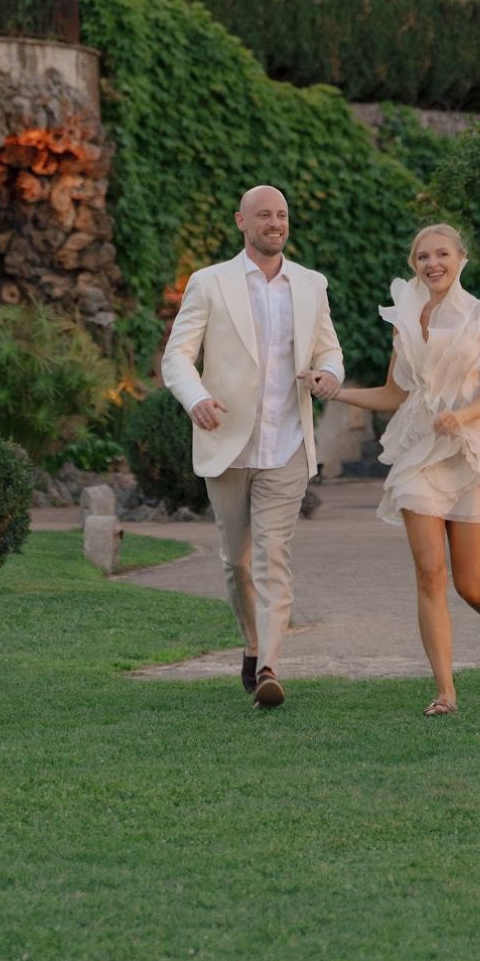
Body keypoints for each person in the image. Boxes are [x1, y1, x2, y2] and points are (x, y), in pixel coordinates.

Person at [159, 184, 344, 711]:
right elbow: (177, 358)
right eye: (264, 215)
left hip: (287, 444)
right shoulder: (209, 282)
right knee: (236, 561)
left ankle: (269, 667)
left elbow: (330, 349)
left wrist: (329, 376)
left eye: (282, 215)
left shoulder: (310, 284)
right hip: (227, 443)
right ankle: (252, 642)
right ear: (241, 221)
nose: (275, 223)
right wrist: (196, 398)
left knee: (273, 556)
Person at [332, 223, 480, 715]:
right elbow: (394, 394)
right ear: (413, 264)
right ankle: (445, 690)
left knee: (468, 583)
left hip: (466, 450)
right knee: (429, 573)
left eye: (441, 254)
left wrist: (460, 415)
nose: (432, 263)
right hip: (419, 452)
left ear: (461, 260)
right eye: (422, 257)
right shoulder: (405, 319)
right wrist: (335, 390)